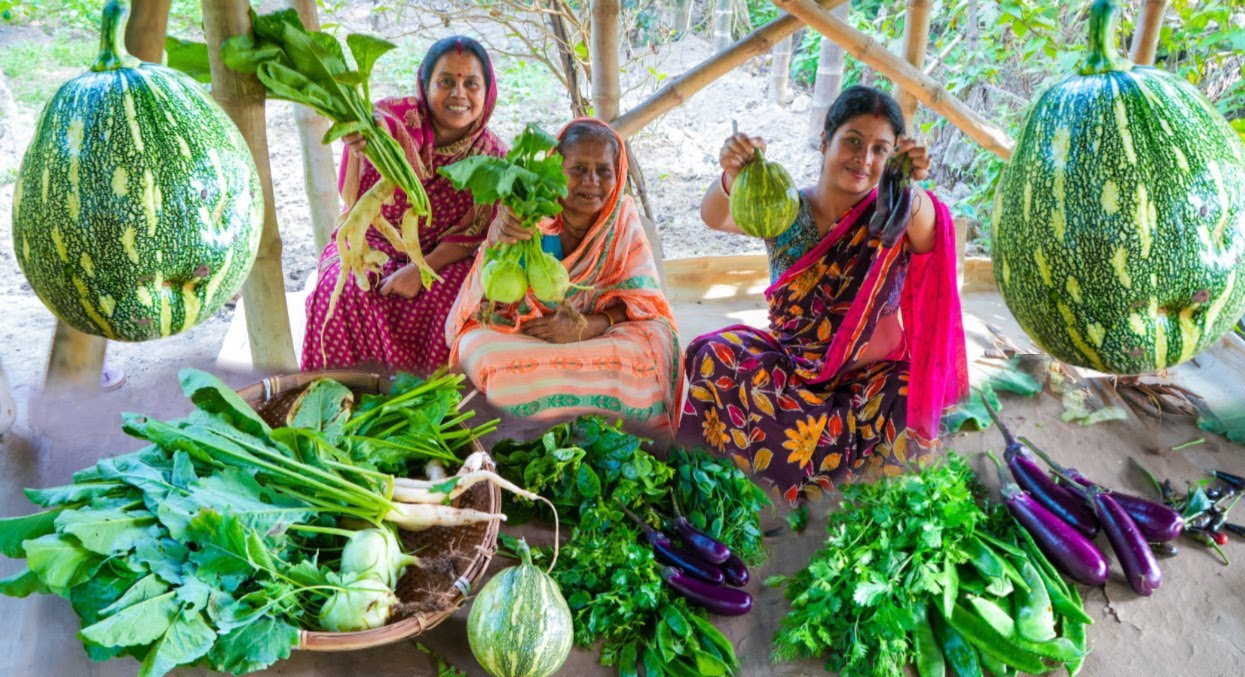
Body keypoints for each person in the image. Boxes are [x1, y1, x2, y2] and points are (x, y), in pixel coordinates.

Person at [680, 85, 968, 505]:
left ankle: (832, 497)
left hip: (875, 384)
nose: (864, 158)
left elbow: (928, 237)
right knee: (714, 355)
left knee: (914, 403)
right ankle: (761, 493)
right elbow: (715, 216)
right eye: (852, 141)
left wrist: (908, 188)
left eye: (880, 150)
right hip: (794, 374)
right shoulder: (782, 209)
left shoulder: (895, 213)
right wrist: (733, 176)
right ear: (824, 141)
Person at [445, 118, 681, 436]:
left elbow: (644, 303)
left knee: (658, 342)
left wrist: (586, 326)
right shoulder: (527, 213)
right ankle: (518, 447)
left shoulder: (622, 220)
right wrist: (500, 239)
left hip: (599, 331)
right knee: (482, 351)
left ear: (618, 174)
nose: (591, 181)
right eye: (578, 169)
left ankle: (624, 442)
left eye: (603, 171)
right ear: (556, 168)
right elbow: (491, 298)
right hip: (531, 332)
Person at [301, 36, 505, 376]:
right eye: (446, 82)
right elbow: (353, 198)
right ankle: (345, 400)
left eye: (471, 84)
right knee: (342, 290)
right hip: (374, 238)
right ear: (425, 87)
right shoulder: (389, 122)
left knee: (451, 301)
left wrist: (421, 270)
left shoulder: (492, 155)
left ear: (487, 92)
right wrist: (360, 144)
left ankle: (428, 406)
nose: (459, 94)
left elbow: (475, 233)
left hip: (443, 254)